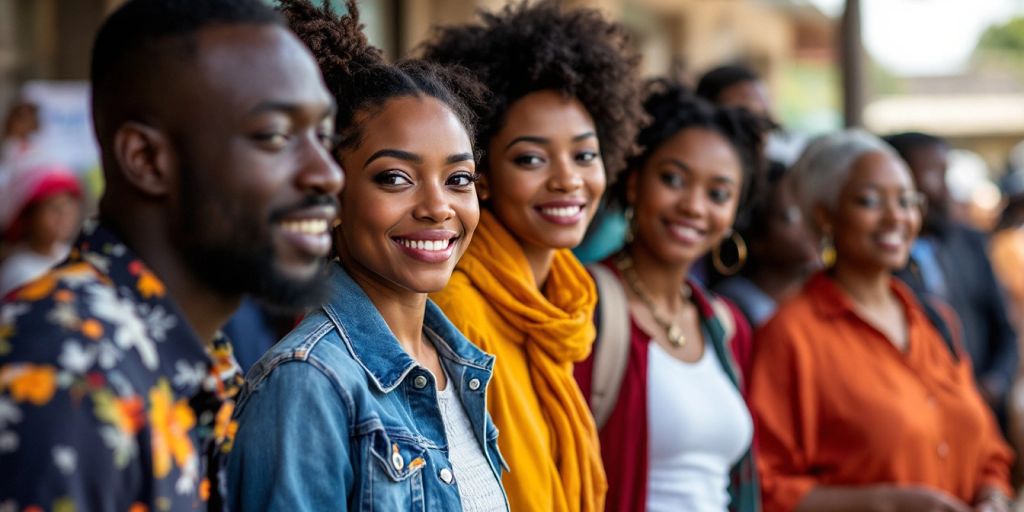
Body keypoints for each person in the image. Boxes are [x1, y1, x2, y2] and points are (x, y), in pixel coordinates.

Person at [0, 0, 344, 509]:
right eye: (275, 136)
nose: (327, 174)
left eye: (323, 136)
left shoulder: (202, 358)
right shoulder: (66, 376)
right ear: (145, 159)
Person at [227, 2, 506, 511]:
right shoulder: (305, 383)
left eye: (458, 179)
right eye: (395, 178)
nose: (438, 207)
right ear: (333, 196)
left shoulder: (459, 364)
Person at [423, 3, 646, 511]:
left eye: (585, 155)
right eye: (531, 158)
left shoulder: (563, 300)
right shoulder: (455, 307)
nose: (568, 179)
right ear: (482, 176)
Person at [750, 130, 1013, 512]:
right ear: (825, 215)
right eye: (870, 201)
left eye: (907, 201)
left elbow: (989, 449)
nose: (896, 217)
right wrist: (884, 503)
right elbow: (767, 486)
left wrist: (992, 496)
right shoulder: (792, 335)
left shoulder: (934, 319)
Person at [574, 81, 769, 512]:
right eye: (673, 179)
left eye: (718, 193)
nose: (694, 206)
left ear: (734, 211)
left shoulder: (726, 324)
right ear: (634, 182)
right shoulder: (582, 304)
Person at [886, 132, 1018, 429]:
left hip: (983, 416)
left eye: (945, 174)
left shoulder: (970, 243)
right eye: (933, 175)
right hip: (919, 424)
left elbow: (1004, 328)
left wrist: (996, 383)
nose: (943, 190)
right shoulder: (882, 266)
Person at [714, 161, 820, 330]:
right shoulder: (732, 308)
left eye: (809, 211)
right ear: (757, 239)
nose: (812, 226)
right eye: (790, 217)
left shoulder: (816, 302)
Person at [0, 162, 82, 296]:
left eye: (68, 205)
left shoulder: (70, 253)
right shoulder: (17, 272)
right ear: (29, 217)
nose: (63, 215)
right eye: (53, 208)